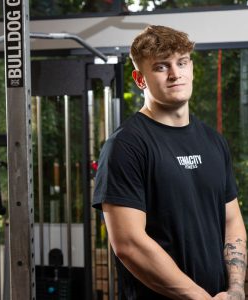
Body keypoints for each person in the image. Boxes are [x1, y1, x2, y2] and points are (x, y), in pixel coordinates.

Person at [92, 25, 247, 299]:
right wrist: (200, 298)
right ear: (140, 79)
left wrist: (235, 289)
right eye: (162, 67)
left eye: (182, 63)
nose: (176, 74)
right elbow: (129, 244)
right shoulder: (125, 146)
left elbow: (232, 220)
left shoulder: (213, 141)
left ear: (192, 68)